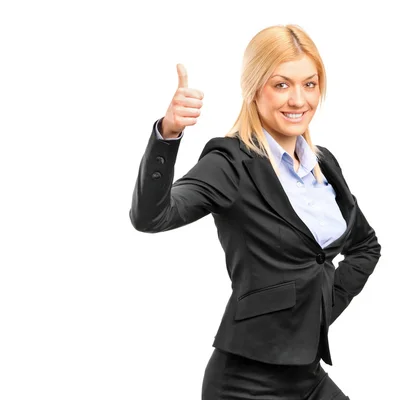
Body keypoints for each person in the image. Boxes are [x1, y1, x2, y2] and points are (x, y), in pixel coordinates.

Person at [130, 24, 381, 400]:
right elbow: (152, 217)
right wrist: (168, 134)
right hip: (244, 384)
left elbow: (365, 246)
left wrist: (321, 310)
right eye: (282, 84)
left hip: (307, 375)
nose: (298, 100)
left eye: (309, 84)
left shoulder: (323, 165)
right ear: (253, 88)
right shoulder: (230, 163)